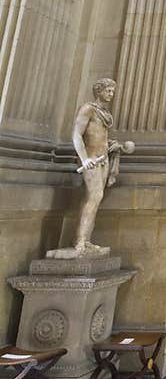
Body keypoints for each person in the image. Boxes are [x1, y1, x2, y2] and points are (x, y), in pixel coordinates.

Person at [48, 79, 135, 258]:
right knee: (94, 196)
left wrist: (112, 146)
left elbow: (99, 137)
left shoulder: (104, 113)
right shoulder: (88, 109)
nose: (111, 94)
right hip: (91, 160)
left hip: (102, 160)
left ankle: (84, 240)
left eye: (112, 91)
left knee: (95, 199)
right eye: (108, 91)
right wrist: (84, 158)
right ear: (98, 91)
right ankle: (80, 241)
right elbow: (76, 135)